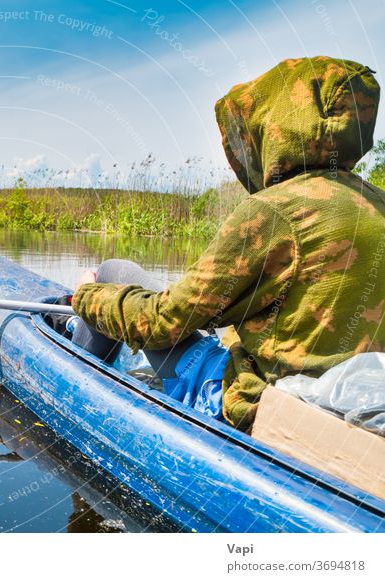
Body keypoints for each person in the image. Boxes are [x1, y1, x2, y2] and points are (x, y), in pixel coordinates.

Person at [71, 56, 384, 432]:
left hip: (259, 408)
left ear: (279, 123)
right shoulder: (378, 203)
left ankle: (74, 394)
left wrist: (88, 295)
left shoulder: (274, 211)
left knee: (113, 272)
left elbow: (162, 322)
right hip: (344, 410)